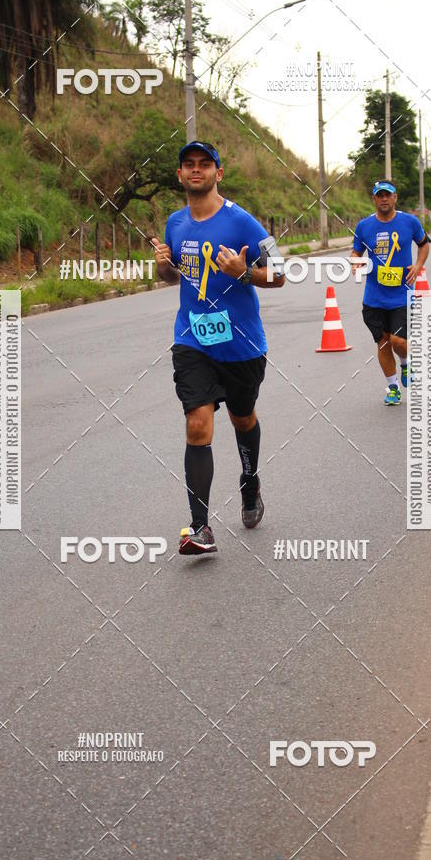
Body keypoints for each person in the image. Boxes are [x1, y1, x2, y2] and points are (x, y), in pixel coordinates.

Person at [151, 141, 285, 555]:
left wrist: (245, 272)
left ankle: (250, 484)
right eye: (188, 165)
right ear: (179, 174)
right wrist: (164, 268)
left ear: (218, 173)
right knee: (197, 424)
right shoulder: (175, 223)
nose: (196, 171)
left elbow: (280, 273)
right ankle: (200, 528)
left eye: (204, 165)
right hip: (192, 340)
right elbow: (177, 278)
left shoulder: (242, 221)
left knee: (242, 419)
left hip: (242, 345)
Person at [351, 179, 430, 406]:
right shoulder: (364, 226)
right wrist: (355, 262)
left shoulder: (410, 222)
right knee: (383, 343)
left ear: (395, 197)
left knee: (398, 341)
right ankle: (393, 387)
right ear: (374, 199)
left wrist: (417, 266)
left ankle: (405, 364)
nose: (384, 199)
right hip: (374, 298)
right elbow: (356, 252)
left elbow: (424, 244)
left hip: (401, 296)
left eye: (388, 195)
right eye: (380, 195)